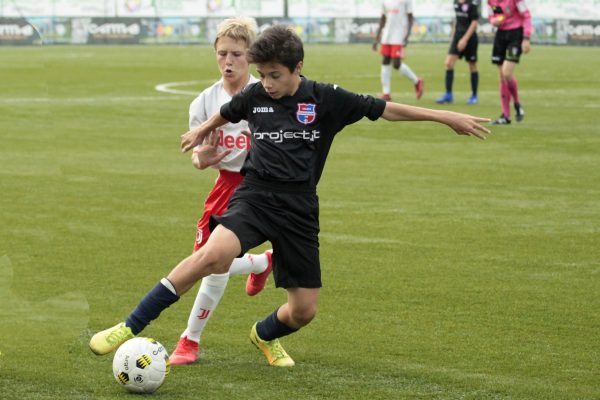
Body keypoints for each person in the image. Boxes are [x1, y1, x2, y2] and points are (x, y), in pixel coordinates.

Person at [89, 25, 490, 368]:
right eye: (261, 75)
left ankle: (263, 334)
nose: (266, 83)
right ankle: (130, 325)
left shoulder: (326, 99)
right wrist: (200, 132)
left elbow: (384, 109)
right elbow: (229, 110)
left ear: (298, 68)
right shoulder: (256, 95)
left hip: (299, 208)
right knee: (212, 256)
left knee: (303, 312)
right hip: (255, 197)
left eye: (275, 75)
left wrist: (446, 117)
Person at [169, 17, 274, 365]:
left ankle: (189, 341)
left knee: (213, 266)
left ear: (251, 57)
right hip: (225, 185)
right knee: (208, 261)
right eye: (222, 54)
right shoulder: (203, 103)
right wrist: (204, 158)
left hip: (260, 188)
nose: (228, 62)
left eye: (237, 55)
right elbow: (198, 160)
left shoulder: (267, 96)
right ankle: (261, 262)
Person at [487, 0, 532, 124]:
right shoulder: (491, 1)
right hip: (501, 35)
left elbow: (526, 15)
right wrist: (493, 21)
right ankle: (506, 115)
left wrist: (526, 38)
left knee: (506, 73)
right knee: (502, 76)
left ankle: (516, 103)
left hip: (515, 35)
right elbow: (492, 15)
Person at [373, 0, 424, 101]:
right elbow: (383, 18)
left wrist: (407, 34)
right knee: (385, 61)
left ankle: (417, 81)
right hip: (387, 35)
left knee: (396, 64)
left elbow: (410, 17)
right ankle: (386, 93)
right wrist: (377, 37)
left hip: (399, 34)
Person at [436, 0, 480, 105]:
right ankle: (448, 95)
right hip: (457, 37)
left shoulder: (472, 3)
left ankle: (474, 96)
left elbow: (474, 23)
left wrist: (465, 39)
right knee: (448, 63)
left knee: (472, 65)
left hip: (470, 38)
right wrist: (453, 37)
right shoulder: (455, 2)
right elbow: (457, 20)